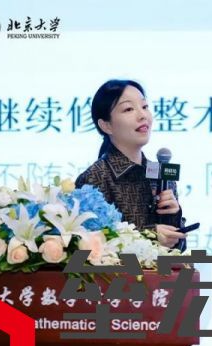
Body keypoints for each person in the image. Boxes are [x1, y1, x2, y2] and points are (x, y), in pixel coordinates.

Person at [75, 79, 187, 251]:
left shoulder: (161, 174)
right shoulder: (95, 178)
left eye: (144, 106)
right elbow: (90, 248)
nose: (142, 115)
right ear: (106, 125)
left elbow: (179, 249)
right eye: (128, 109)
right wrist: (149, 236)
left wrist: (174, 216)